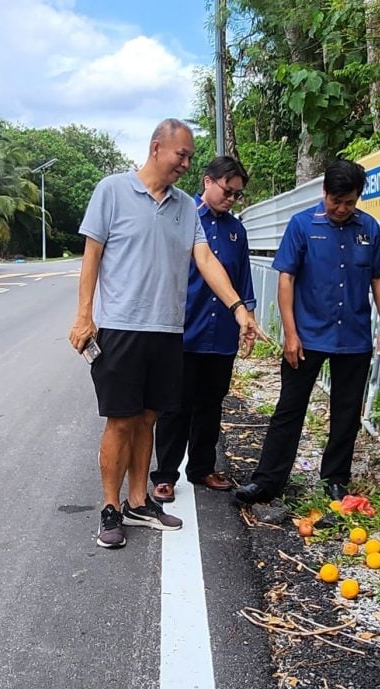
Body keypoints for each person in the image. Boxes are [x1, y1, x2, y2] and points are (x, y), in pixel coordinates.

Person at [69, 119, 257, 549]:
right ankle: (111, 509)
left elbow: (206, 260)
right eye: (182, 155)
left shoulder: (185, 207)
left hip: (169, 329)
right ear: (157, 148)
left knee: (150, 417)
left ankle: (139, 502)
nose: (187, 165)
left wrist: (238, 308)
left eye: (190, 157)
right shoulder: (112, 191)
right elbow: (91, 256)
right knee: (121, 420)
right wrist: (84, 316)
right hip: (121, 327)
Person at [234, 159, 380, 505]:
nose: (341, 209)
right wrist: (291, 333)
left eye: (349, 202)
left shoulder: (368, 228)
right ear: (324, 193)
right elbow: (286, 279)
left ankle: (335, 479)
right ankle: (267, 481)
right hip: (306, 337)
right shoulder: (302, 225)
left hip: (353, 338)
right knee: (289, 409)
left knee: (347, 412)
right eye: (336, 201)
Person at [150, 156, 255, 503]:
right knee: (175, 407)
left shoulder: (236, 232)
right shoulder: (181, 218)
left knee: (211, 405)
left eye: (237, 195)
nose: (231, 199)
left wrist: (246, 323)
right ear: (208, 181)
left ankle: (201, 467)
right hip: (183, 332)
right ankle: (165, 474)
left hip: (220, 335)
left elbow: (242, 284)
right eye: (228, 191)